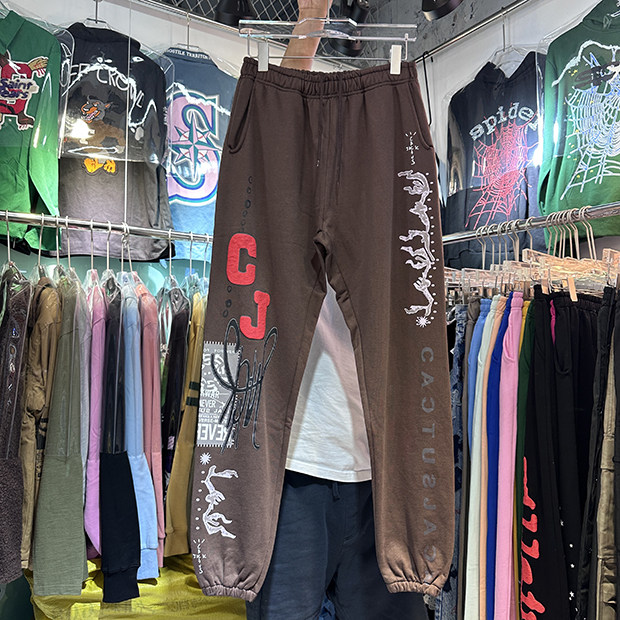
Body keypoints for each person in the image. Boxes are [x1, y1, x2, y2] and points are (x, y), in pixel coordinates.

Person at [244, 2, 430, 618]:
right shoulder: (287, 197)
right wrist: (309, 22)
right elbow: (274, 134)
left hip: (383, 473)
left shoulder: (391, 194)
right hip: (296, 466)